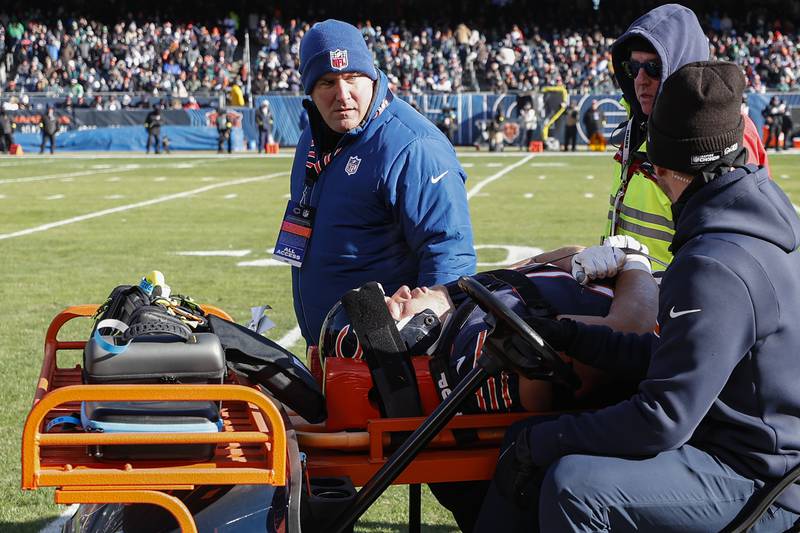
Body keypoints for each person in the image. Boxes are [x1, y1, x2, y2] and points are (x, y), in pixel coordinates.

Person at [476, 61, 800, 533]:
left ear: (670, 166)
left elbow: (664, 417)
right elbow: (679, 356)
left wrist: (547, 442)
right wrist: (569, 336)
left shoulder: (714, 262)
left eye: (649, 167)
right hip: (755, 447)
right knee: (530, 438)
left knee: (575, 487)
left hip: (757, 476)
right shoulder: (758, 224)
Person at [320, 253, 657, 531]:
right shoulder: (479, 355)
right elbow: (633, 328)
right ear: (408, 342)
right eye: (395, 305)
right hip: (667, 327)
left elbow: (529, 268)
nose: (405, 290)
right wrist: (634, 264)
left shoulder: (458, 306)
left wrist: (583, 258)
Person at [284, 19, 476, 346]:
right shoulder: (312, 138)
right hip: (336, 348)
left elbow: (449, 258)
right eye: (328, 82)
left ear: (372, 75)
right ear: (310, 90)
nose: (342, 95)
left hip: (387, 356)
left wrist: (427, 347)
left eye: (353, 77)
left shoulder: (413, 146)